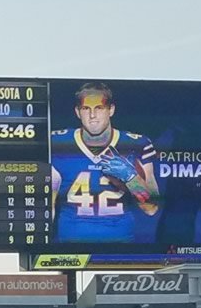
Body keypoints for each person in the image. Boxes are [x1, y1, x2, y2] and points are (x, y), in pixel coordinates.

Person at [49, 82, 162, 247]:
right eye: (86, 108)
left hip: (121, 247)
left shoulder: (137, 144)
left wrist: (131, 178)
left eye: (99, 108)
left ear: (111, 110)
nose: (92, 115)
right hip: (69, 247)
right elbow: (45, 208)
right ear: (77, 112)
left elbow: (151, 208)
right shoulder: (56, 143)